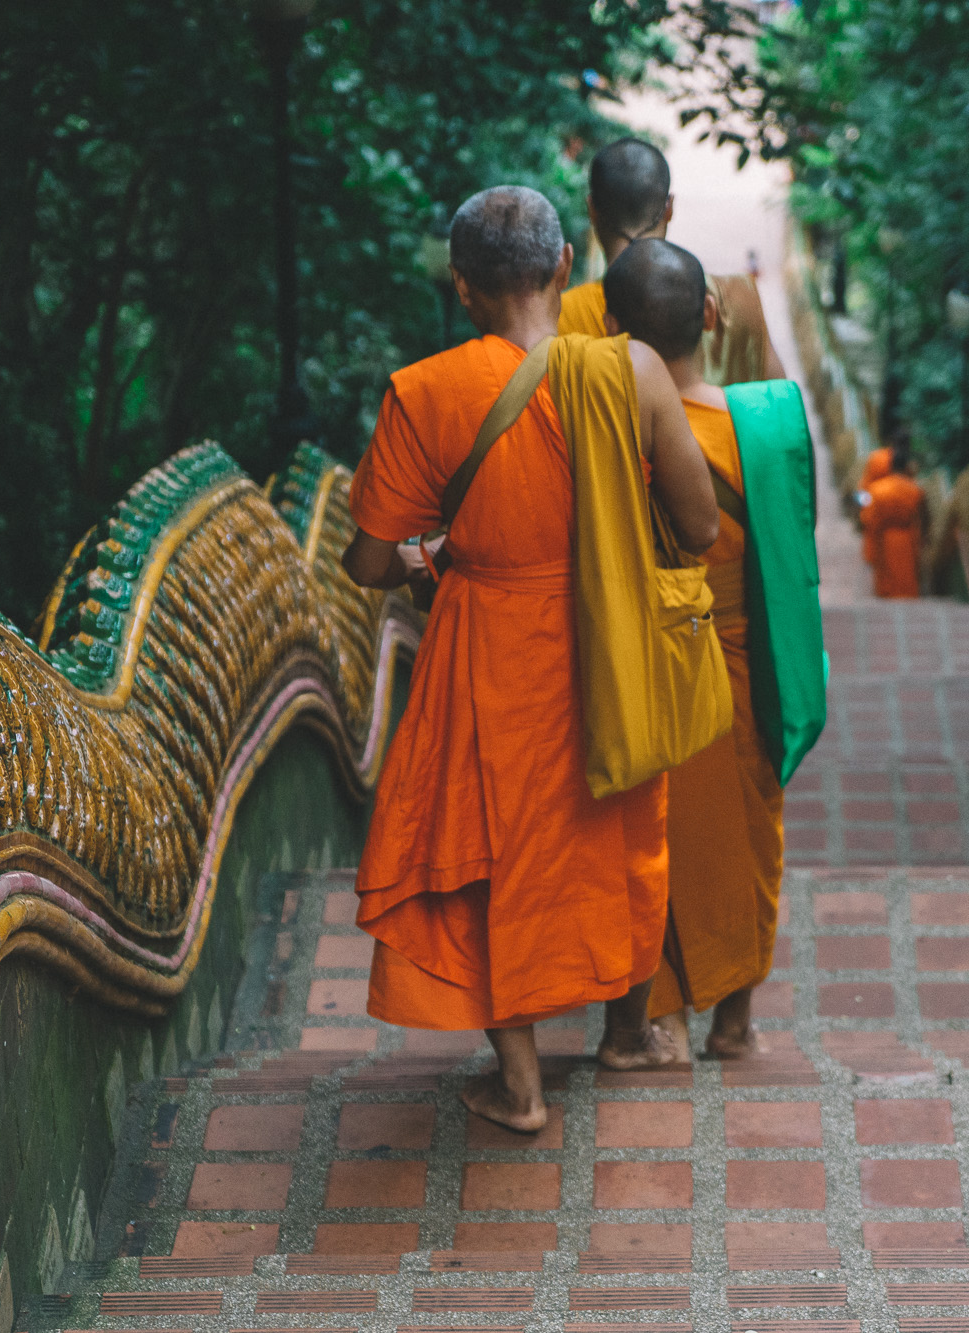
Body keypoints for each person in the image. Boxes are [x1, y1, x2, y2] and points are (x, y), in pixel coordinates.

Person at [341, 186, 719, 1133]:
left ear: (464, 289)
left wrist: (436, 556)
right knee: (616, 834)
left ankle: (518, 1085)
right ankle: (626, 1032)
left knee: (491, 852)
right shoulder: (631, 371)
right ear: (563, 271)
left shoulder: (422, 393)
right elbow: (701, 525)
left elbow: (368, 561)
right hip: (609, 643)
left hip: (485, 648)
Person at [601, 238, 786, 1058]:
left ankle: (660, 1014)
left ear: (610, 330)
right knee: (748, 831)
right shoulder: (765, 431)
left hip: (639, 656)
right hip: (744, 651)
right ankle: (736, 1019)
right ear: (709, 316)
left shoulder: (601, 434)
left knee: (651, 831)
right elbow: (792, 559)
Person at [558, 138, 788, 386]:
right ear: (669, 207)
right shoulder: (738, 299)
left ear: (592, 209)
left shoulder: (561, 316)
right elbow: (779, 406)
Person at [861, 444, 926, 599]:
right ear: (906, 467)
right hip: (907, 539)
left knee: (887, 584)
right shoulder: (915, 490)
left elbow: (867, 517)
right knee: (907, 579)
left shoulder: (877, 489)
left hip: (884, 539)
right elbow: (923, 517)